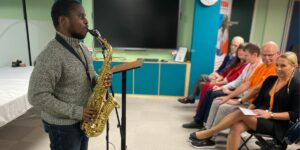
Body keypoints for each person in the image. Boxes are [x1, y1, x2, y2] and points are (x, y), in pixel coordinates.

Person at [28, 1, 111, 150]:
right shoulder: (51, 54)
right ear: (63, 21)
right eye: (80, 16)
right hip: (63, 128)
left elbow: (89, 74)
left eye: (85, 16)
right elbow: (36, 96)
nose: (86, 21)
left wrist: (99, 80)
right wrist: (78, 112)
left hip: (83, 120)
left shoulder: (83, 48)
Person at [189, 52, 299, 150]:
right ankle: (210, 132)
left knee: (241, 112)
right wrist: (250, 110)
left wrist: (270, 115)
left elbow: (294, 114)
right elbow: (257, 101)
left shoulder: (296, 86)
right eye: (277, 65)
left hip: (278, 123)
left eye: (283, 66)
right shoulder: (271, 80)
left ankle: (210, 132)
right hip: (260, 115)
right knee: (236, 127)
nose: (278, 68)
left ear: (293, 66)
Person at [182, 43, 261, 129]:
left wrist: (230, 92)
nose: (245, 57)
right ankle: (199, 121)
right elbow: (237, 81)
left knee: (214, 95)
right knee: (211, 91)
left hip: (243, 97)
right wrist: (222, 87)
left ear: (255, 55)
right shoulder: (248, 66)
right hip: (237, 92)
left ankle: (206, 125)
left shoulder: (259, 68)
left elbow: (250, 91)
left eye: (247, 55)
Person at [178, 36, 244, 104]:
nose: (232, 47)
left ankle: (193, 99)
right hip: (220, 76)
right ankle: (194, 100)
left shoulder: (238, 59)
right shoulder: (229, 55)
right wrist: (215, 73)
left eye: (235, 46)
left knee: (202, 82)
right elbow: (222, 67)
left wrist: (217, 76)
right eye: (232, 44)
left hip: (223, 80)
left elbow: (229, 74)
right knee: (202, 79)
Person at [196, 44, 248, 110]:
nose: (240, 52)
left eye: (243, 51)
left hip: (230, 86)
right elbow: (224, 73)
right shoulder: (236, 62)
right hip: (225, 82)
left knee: (208, 87)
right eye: (239, 50)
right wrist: (217, 80)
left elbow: (232, 80)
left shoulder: (245, 66)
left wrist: (218, 83)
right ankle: (200, 110)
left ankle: (201, 111)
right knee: (206, 85)